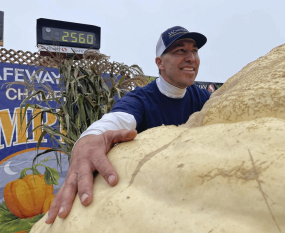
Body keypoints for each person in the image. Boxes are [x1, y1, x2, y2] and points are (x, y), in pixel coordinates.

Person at [45, 26, 211, 224]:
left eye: (194, 50)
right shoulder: (141, 99)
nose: (191, 57)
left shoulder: (204, 99)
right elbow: (117, 118)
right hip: (151, 206)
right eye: (180, 51)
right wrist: (87, 142)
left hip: (193, 196)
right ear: (159, 62)